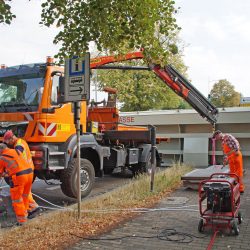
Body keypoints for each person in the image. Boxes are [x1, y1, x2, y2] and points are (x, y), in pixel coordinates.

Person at [3, 130, 39, 215]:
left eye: (8, 142)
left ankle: (33, 208)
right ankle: (31, 208)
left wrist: (6, 154)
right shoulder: (18, 143)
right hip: (27, 170)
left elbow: (18, 153)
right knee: (26, 192)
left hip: (26, 171)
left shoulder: (19, 144)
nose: (9, 144)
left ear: (12, 138)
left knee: (24, 192)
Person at [0, 143, 33, 225]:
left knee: (17, 199)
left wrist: (5, 174)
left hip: (19, 177)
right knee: (25, 196)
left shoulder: (2, 157)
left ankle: (22, 221)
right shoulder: (16, 150)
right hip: (30, 173)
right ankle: (25, 214)